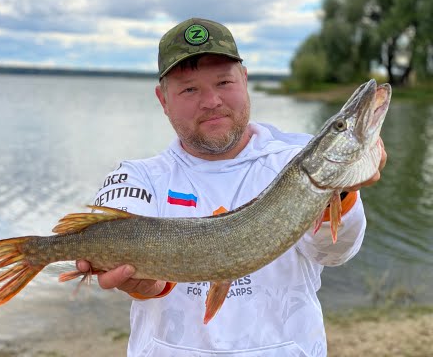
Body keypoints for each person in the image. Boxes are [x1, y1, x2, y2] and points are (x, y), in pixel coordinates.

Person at [77, 18, 387, 357]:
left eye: (224, 82)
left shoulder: (293, 158)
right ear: (163, 100)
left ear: (245, 80)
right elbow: (113, 235)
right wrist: (145, 284)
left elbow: (334, 253)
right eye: (189, 89)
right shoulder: (138, 177)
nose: (211, 101)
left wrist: (341, 192)